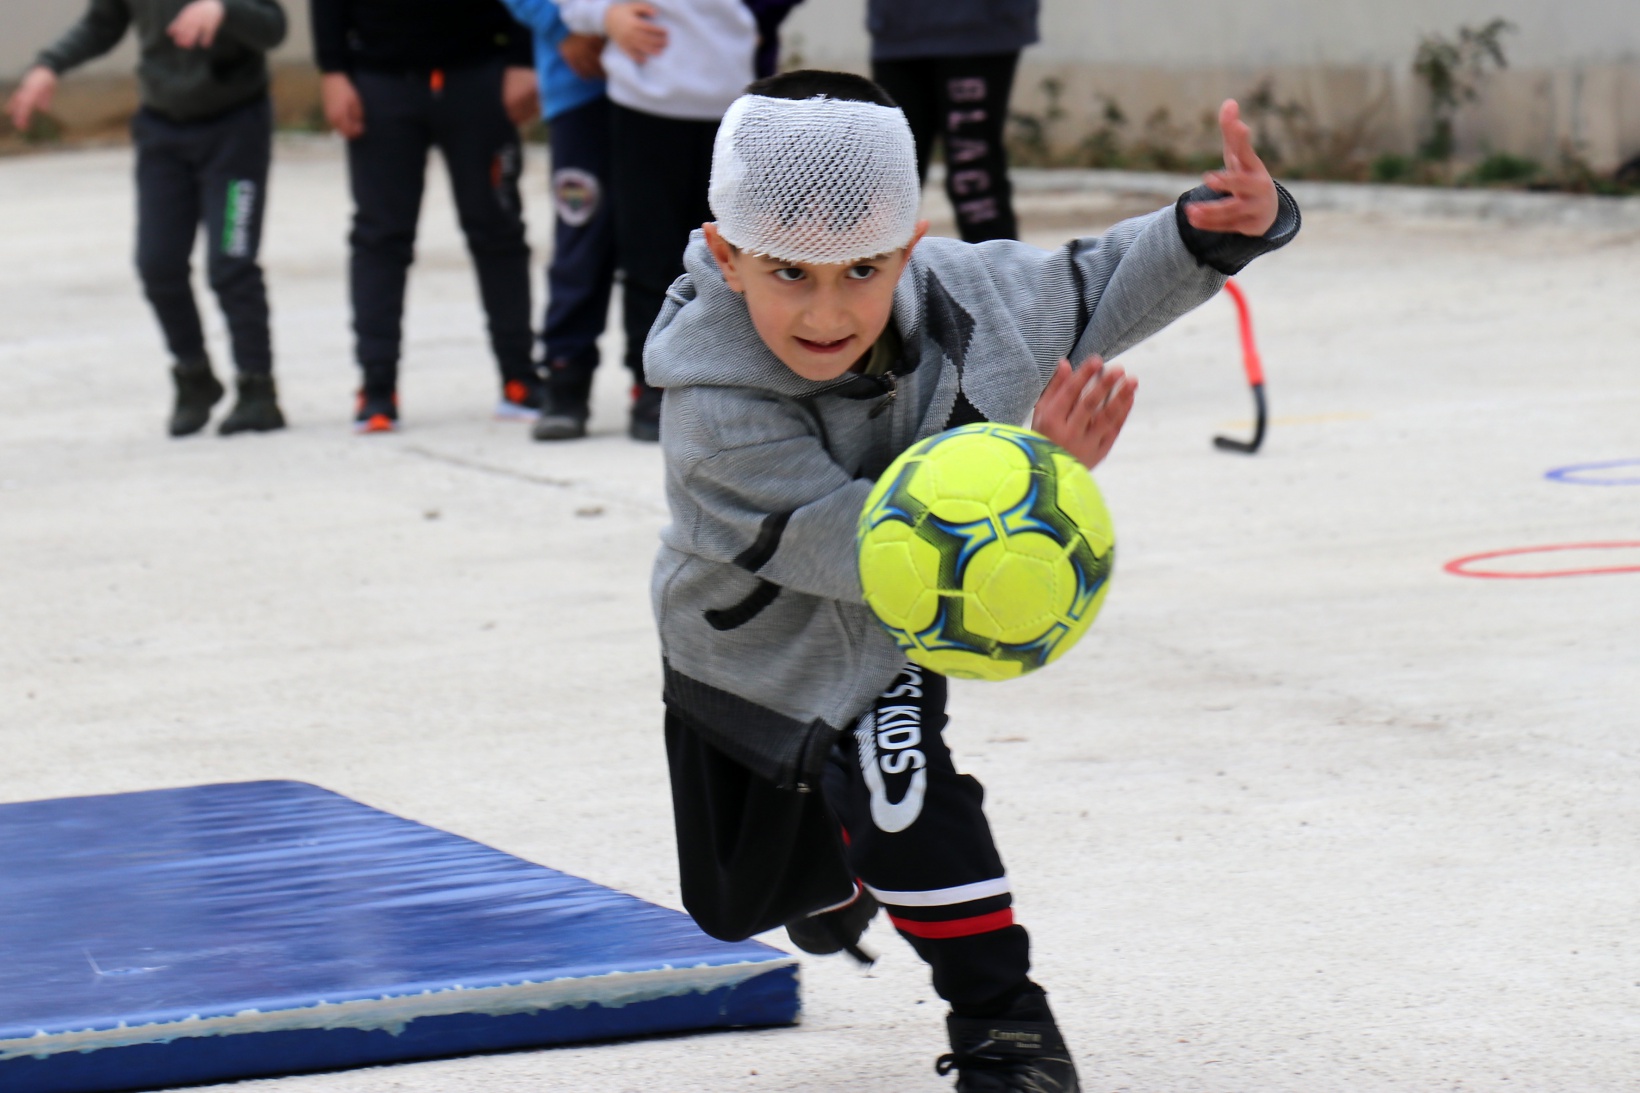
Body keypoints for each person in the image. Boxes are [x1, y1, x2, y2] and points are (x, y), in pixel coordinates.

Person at [646, 70, 1299, 1090]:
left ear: (906, 251)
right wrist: (1034, 475)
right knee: (743, 902)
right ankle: (839, 871)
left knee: (907, 803)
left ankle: (1007, 1030)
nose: (827, 312)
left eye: (861, 271)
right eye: (789, 275)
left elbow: (1095, 280)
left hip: (890, 643)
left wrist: (1214, 227)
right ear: (727, 256)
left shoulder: (964, 296)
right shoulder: (708, 408)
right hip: (749, 660)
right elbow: (852, 543)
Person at [7, 0, 288, 437]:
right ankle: (193, 376)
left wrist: (224, 9)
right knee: (157, 263)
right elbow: (102, 24)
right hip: (164, 131)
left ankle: (257, 388)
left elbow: (274, 28)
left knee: (230, 262)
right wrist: (49, 66)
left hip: (235, 131)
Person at [556, 0, 804, 441]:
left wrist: (758, 19)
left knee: (732, 259)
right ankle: (649, 384)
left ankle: (731, 383)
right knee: (647, 253)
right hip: (643, 101)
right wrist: (604, 16)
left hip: (734, 103)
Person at [310, 0, 541, 433]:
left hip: (480, 74)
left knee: (498, 229)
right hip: (380, 80)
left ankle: (519, 379)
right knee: (380, 236)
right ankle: (377, 388)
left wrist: (522, 58)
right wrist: (332, 69)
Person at [498, 0, 619, 441]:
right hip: (577, 78)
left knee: (661, 240)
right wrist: (561, 29)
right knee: (580, 234)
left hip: (667, 90)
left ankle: (658, 384)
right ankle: (567, 379)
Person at [868, 0, 1037, 243]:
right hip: (898, 27)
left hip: (980, 27)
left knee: (974, 177)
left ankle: (995, 276)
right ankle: (872, 274)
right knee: (891, 175)